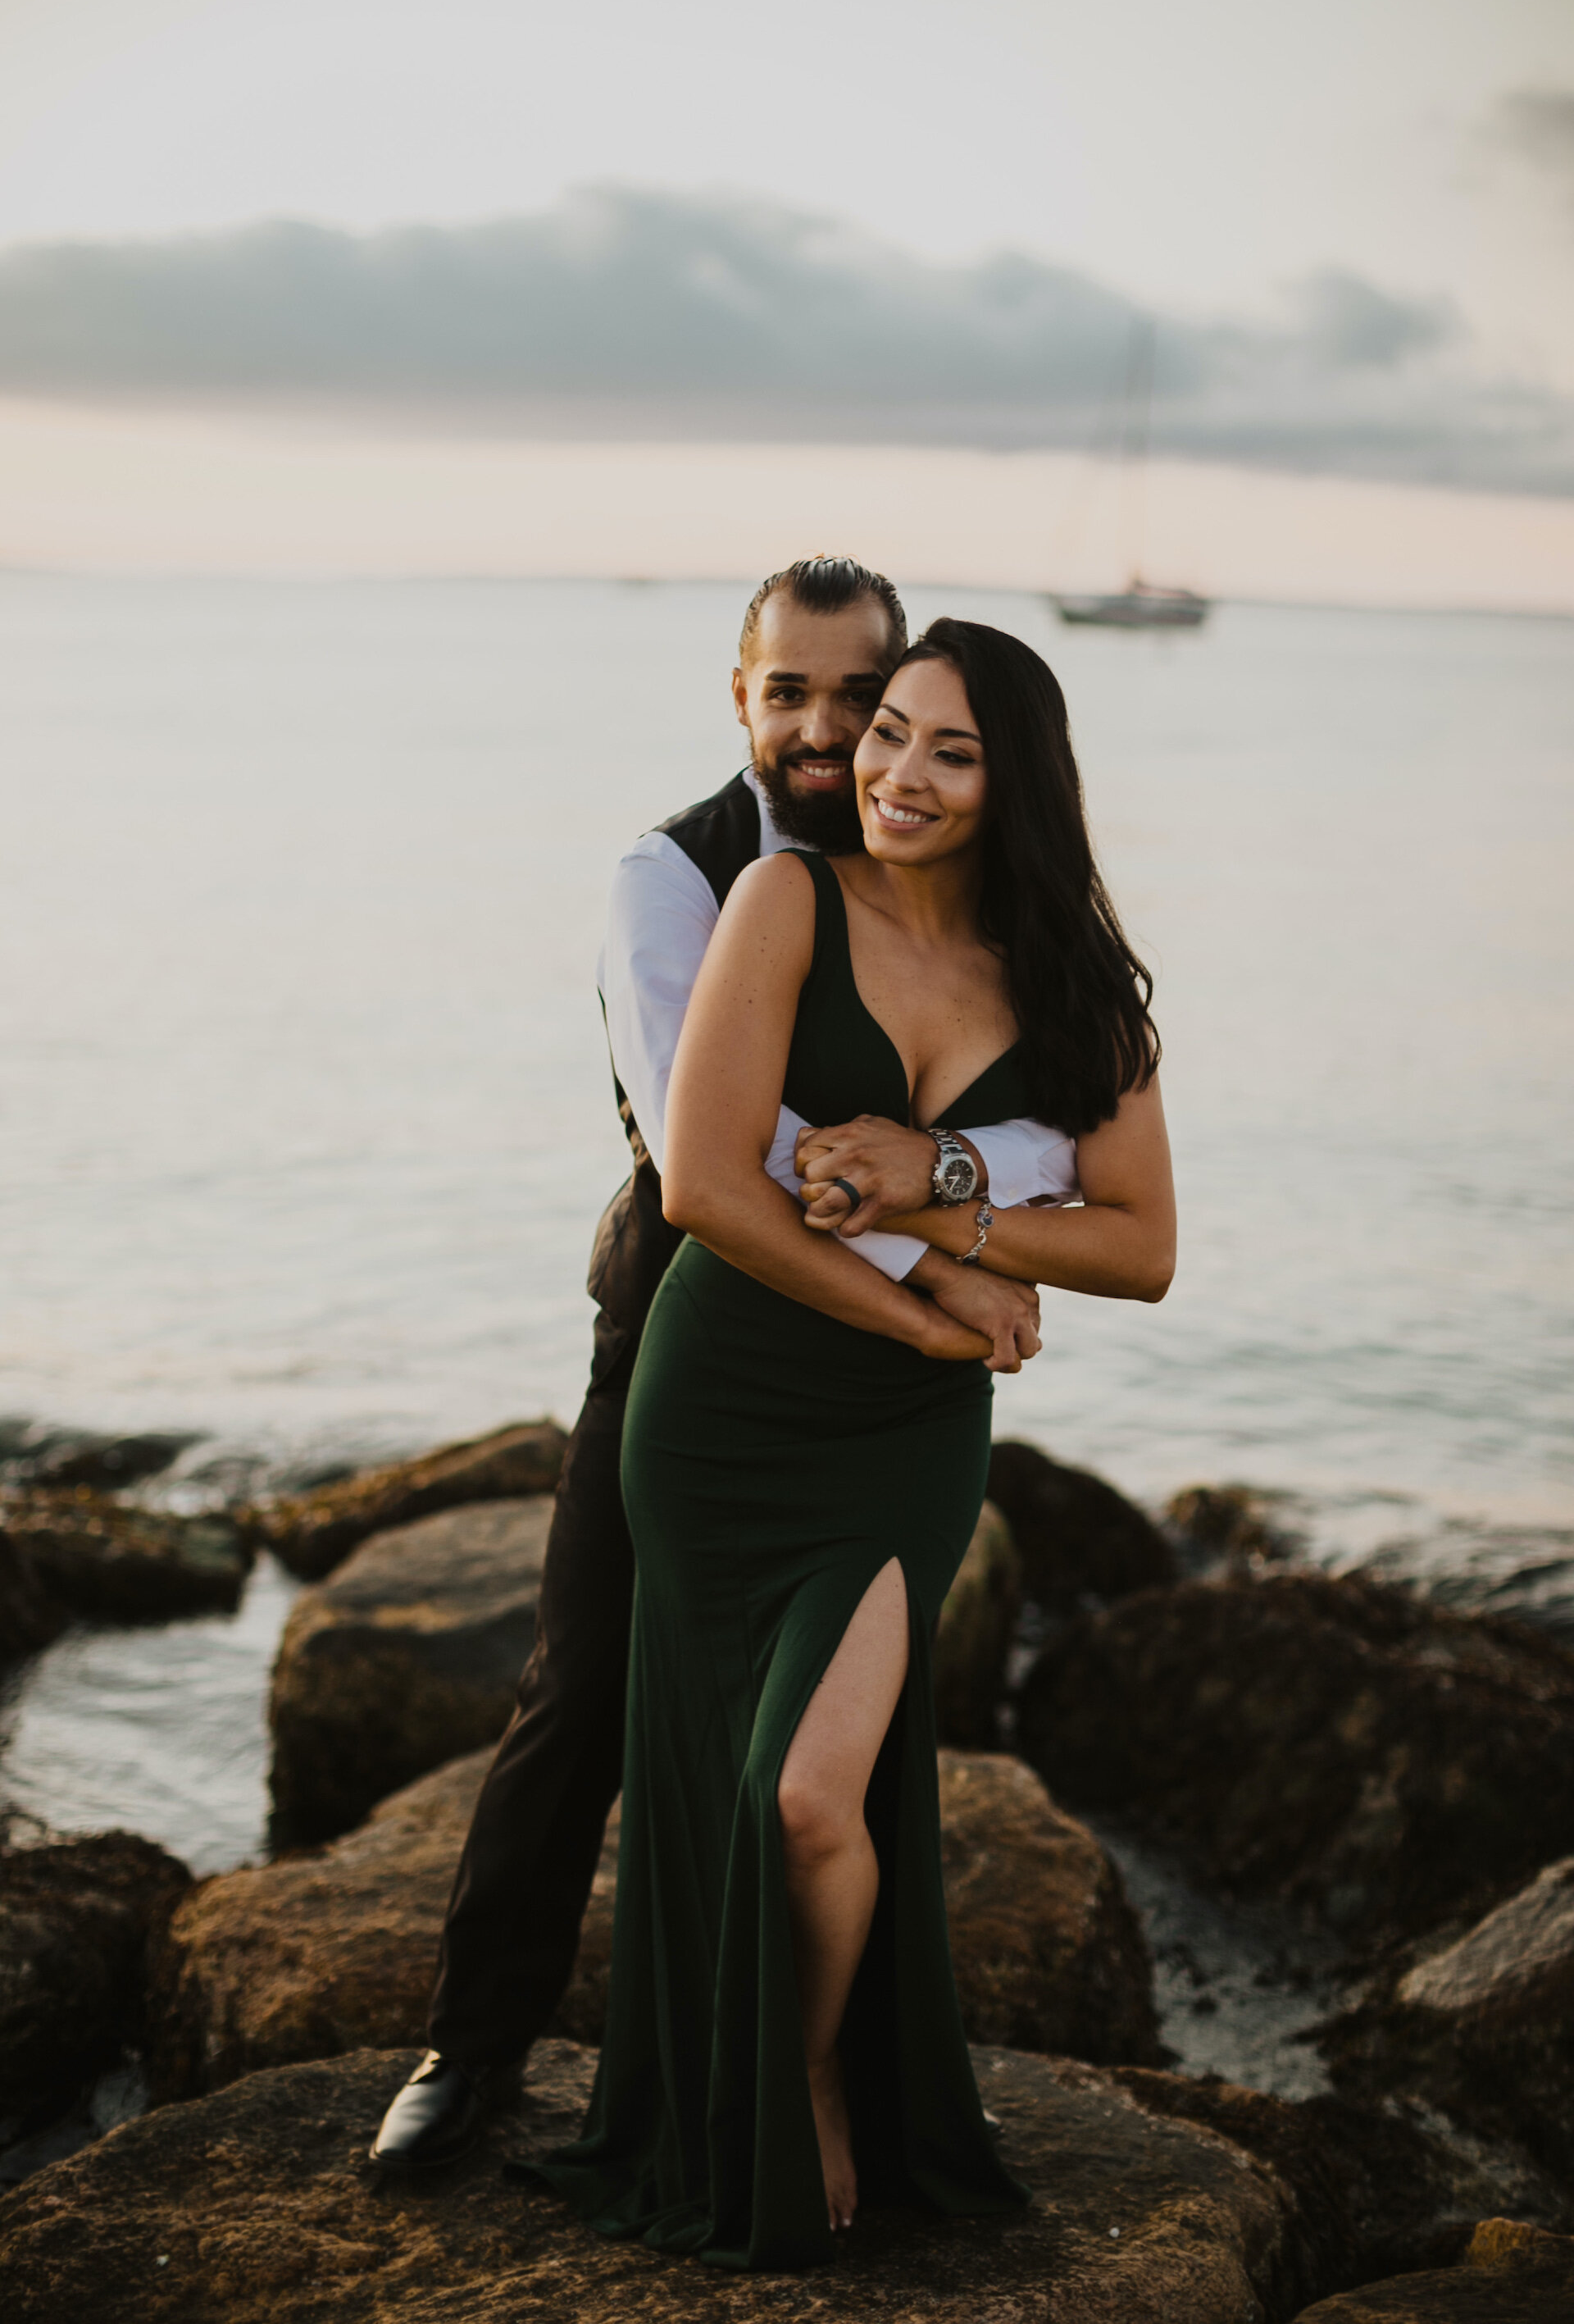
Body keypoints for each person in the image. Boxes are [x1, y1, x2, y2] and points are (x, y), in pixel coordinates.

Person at [371, 560, 1079, 2170]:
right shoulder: (672, 875)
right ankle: (474, 2052)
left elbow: (1031, 1118)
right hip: (689, 1347)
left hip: (878, 1395)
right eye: (792, 692)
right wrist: (944, 1272)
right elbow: (723, 1126)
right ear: (741, 697)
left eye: (862, 695)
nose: (830, 730)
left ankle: (790, 2086)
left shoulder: (948, 883)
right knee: (593, 1686)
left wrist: (974, 1227)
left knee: (816, 1745)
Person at [525, 615, 1175, 2267]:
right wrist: (933, 1311)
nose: (891, 771)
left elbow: (1141, 1244)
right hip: (728, 1399)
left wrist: (945, 1187)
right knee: (729, 1777)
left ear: (1015, 782)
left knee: (816, 1797)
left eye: (948, 751)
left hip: (899, 1448)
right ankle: (771, 2079)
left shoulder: (1074, 980)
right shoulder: (785, 899)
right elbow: (708, 1185)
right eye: (888, 732)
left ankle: (812, 2064)